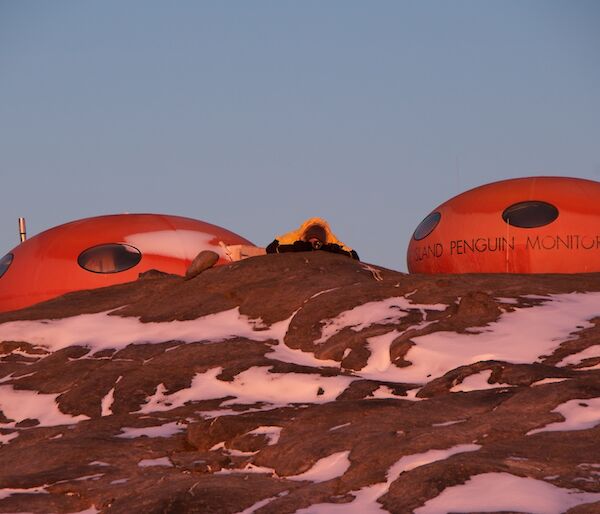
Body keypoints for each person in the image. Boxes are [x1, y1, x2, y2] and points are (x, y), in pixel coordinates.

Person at [266, 217, 359, 260]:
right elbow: (271, 248)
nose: (314, 245)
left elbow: (354, 256)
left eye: (317, 242)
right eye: (312, 241)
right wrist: (296, 248)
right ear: (306, 238)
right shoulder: (295, 236)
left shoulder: (331, 239)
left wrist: (331, 249)